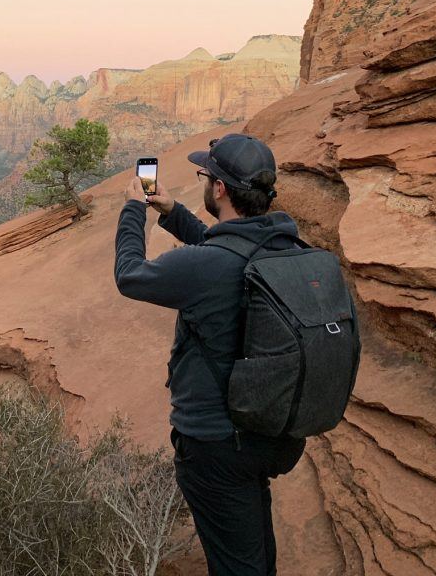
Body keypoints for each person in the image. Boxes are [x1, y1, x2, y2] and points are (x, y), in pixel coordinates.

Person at [114, 133, 306, 576]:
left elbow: (129, 274)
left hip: (216, 445)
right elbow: (229, 251)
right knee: (254, 551)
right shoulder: (282, 247)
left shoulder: (204, 267)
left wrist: (133, 209)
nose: (203, 181)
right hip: (269, 432)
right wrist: (172, 212)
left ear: (219, 188)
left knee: (236, 566)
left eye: (205, 175)